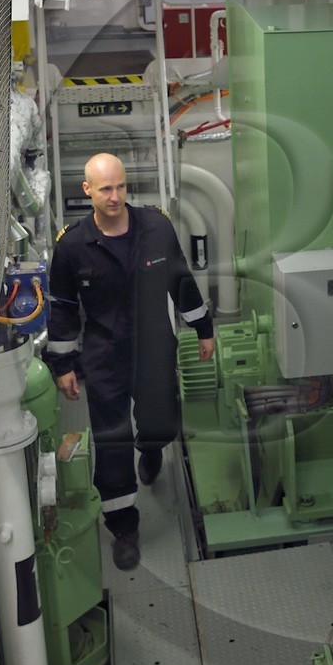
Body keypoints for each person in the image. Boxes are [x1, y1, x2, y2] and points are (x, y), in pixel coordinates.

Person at [44, 153, 215, 570]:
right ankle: (123, 528)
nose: (115, 196)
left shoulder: (156, 227)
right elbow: (63, 309)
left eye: (120, 186)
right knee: (112, 439)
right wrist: (62, 365)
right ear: (87, 191)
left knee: (160, 422)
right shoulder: (71, 247)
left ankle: (153, 447)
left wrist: (204, 328)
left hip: (155, 347)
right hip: (105, 357)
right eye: (105, 189)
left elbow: (180, 279)